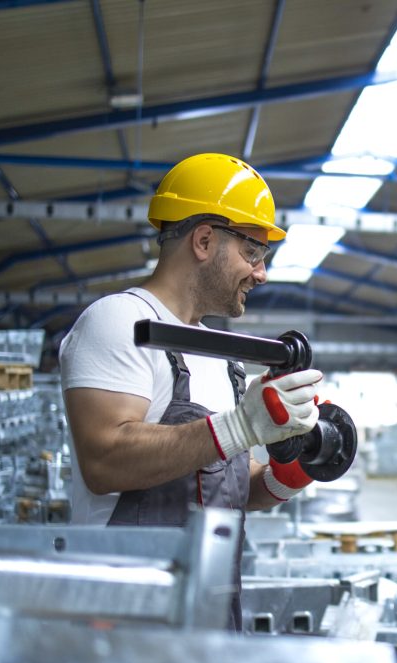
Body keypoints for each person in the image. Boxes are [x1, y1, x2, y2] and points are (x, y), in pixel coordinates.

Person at [59, 153, 322, 629]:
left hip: (207, 613)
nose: (261, 274)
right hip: (125, 618)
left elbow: (227, 482)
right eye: (253, 253)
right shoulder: (120, 321)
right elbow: (104, 460)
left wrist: (300, 465)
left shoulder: (221, 355)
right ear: (204, 240)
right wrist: (241, 425)